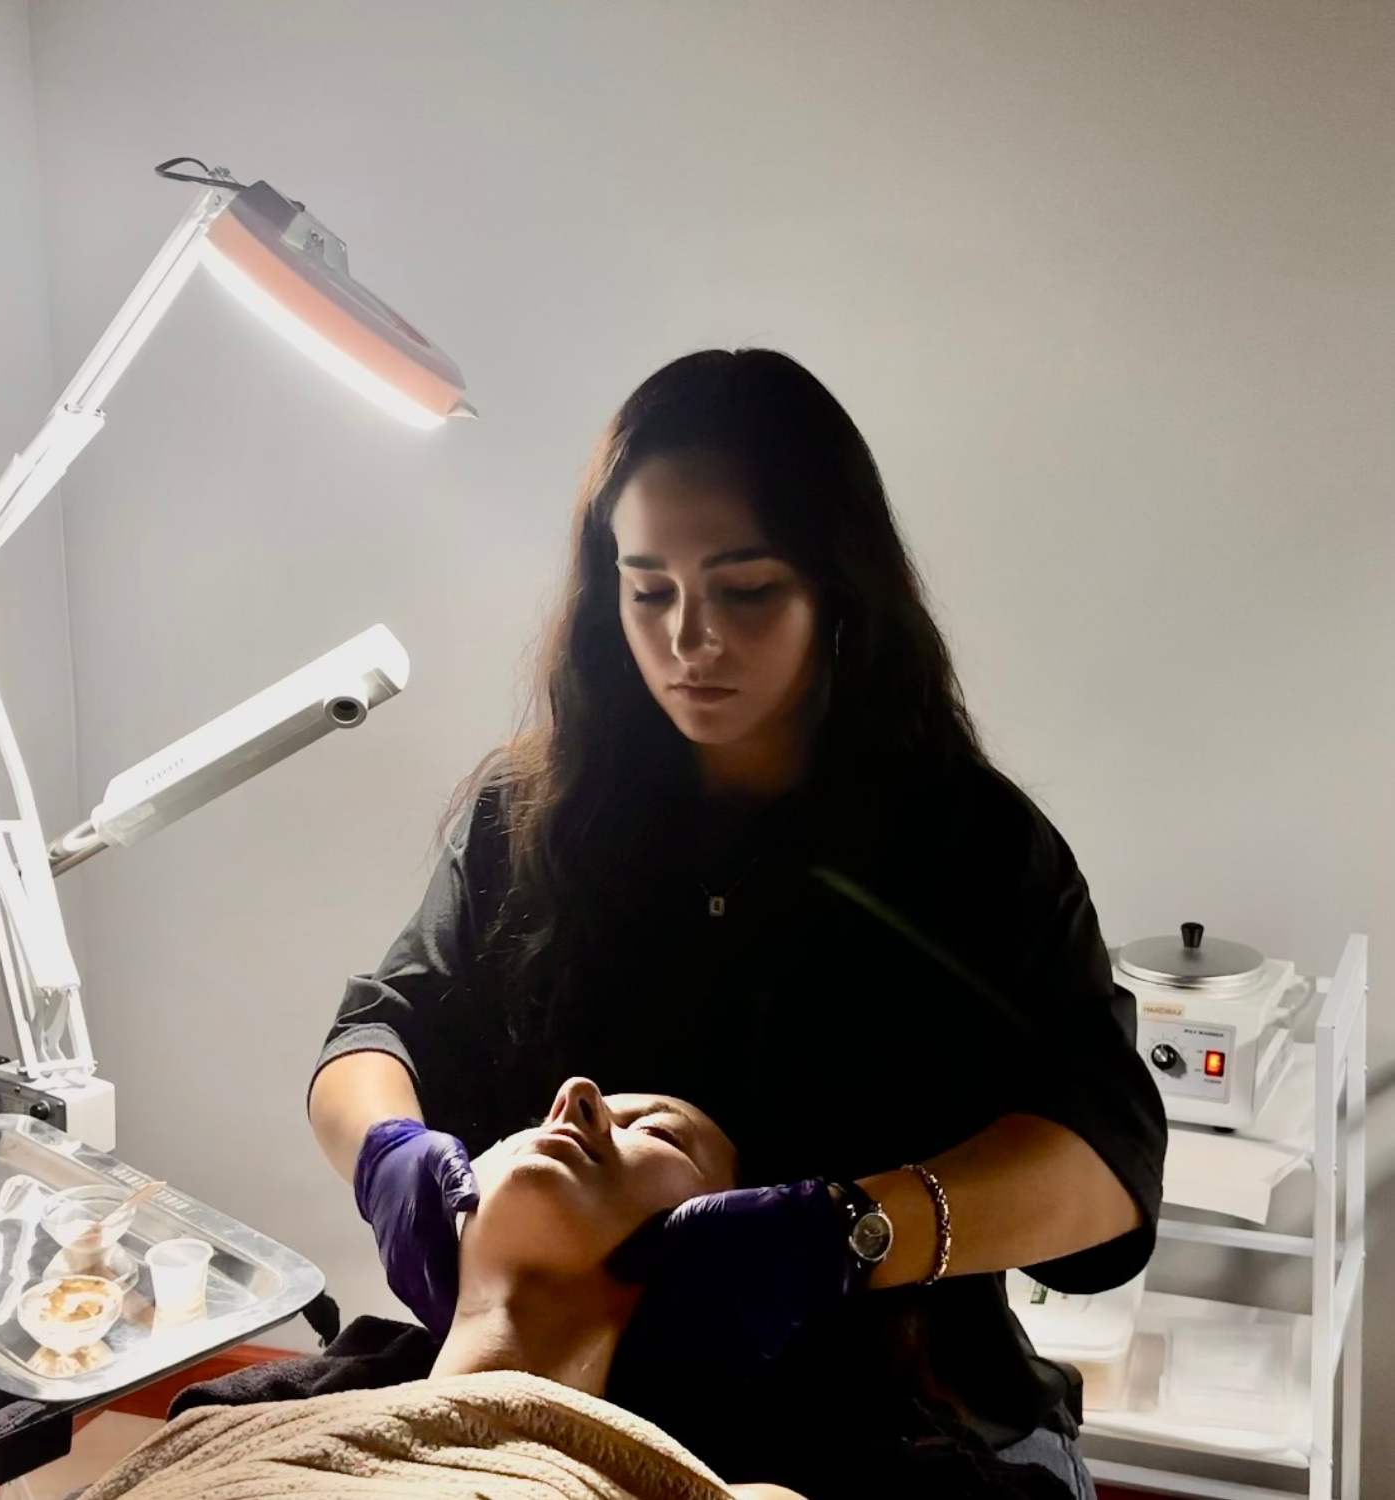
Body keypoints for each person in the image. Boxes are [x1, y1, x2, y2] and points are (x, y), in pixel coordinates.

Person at [308, 348, 1167, 1500]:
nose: (688, 638)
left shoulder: (969, 850)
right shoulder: (536, 818)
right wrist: (388, 1158)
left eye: (745, 589)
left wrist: (845, 1237)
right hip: (579, 1402)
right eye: (648, 587)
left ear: (838, 589)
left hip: (900, 1409)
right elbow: (381, 1027)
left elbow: (1105, 1155)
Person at [86, 1076, 1069, 1500]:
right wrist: (382, 1144)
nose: (581, 1100)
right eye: (550, 1106)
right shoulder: (226, 1431)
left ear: (718, 1267)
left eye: (664, 1133)